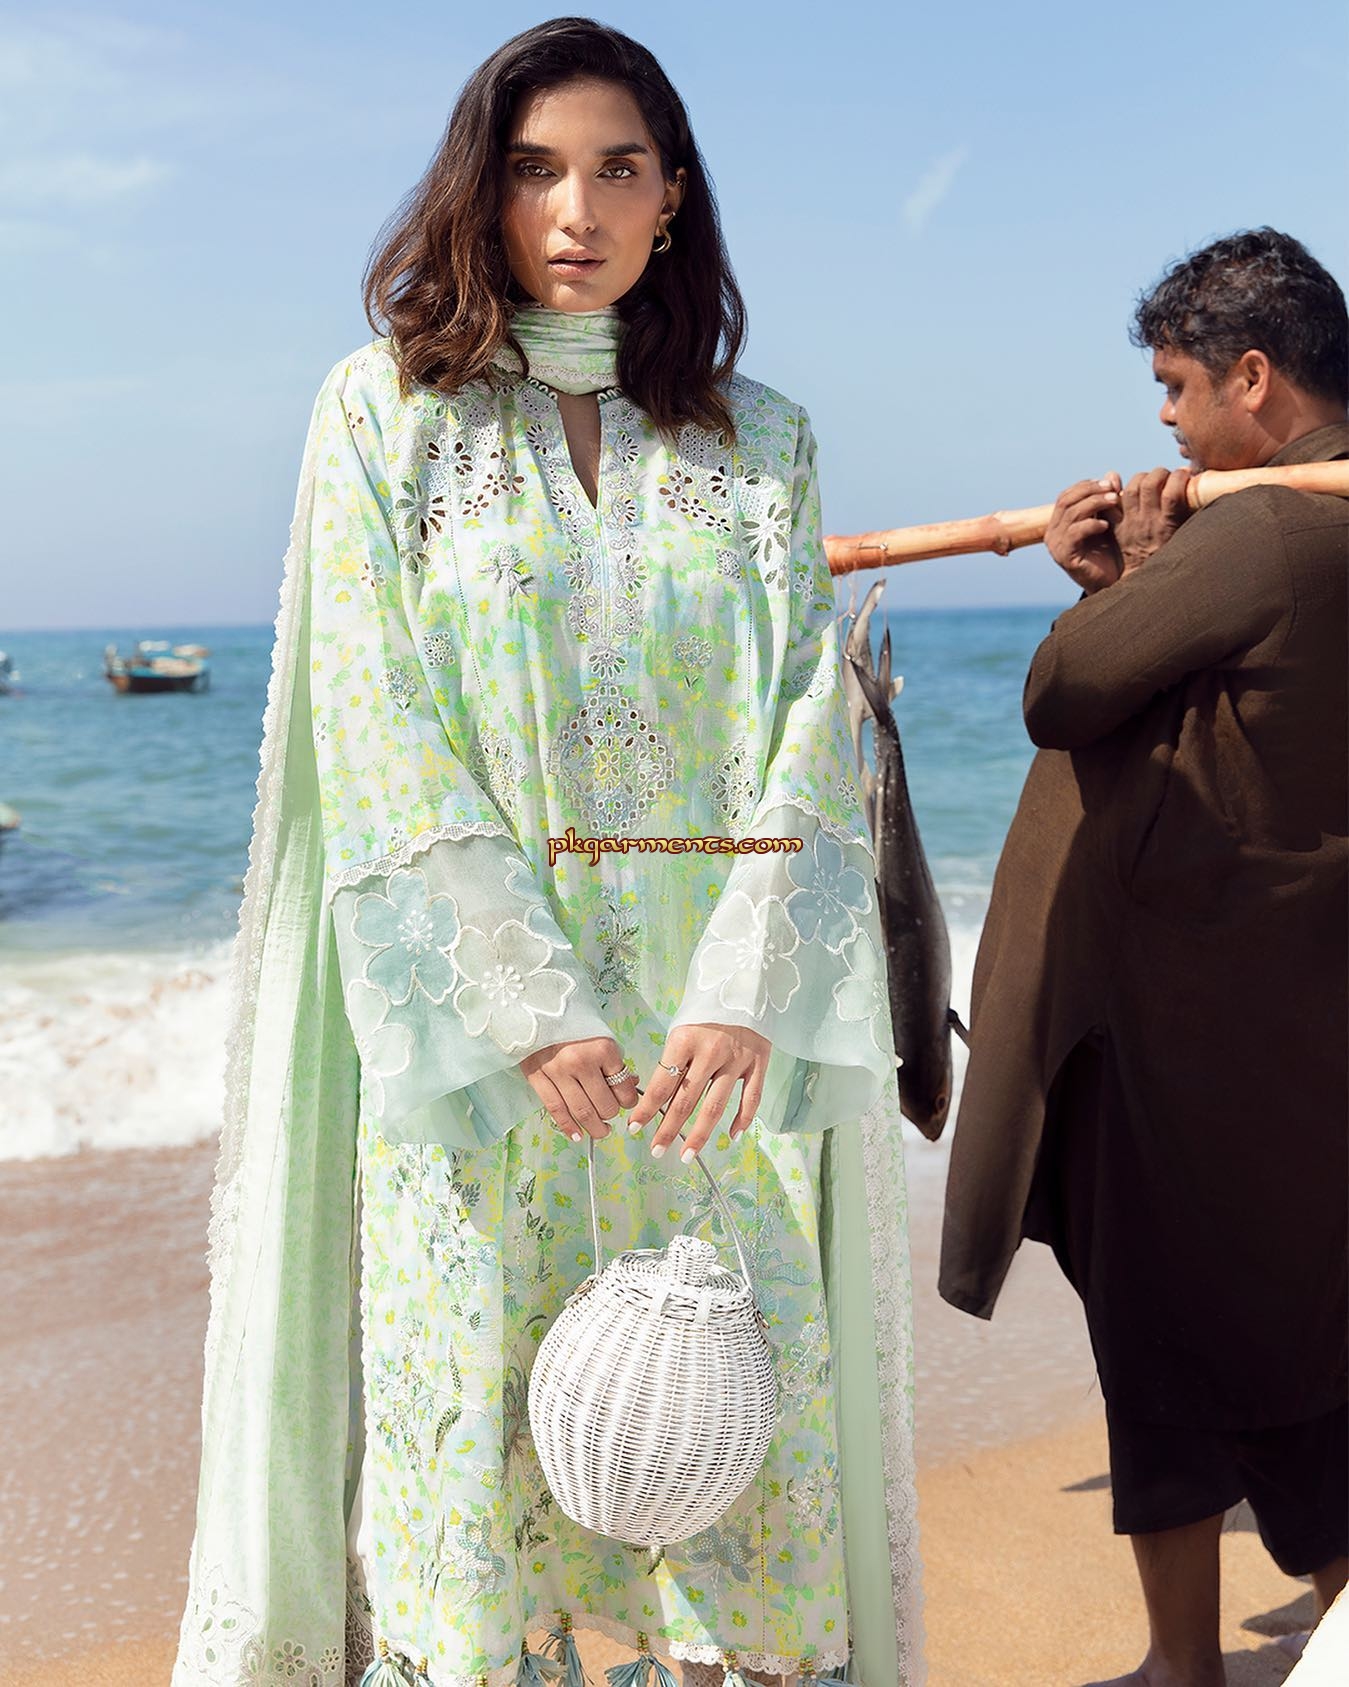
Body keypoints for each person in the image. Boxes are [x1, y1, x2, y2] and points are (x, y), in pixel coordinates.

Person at [171, 18, 922, 1687]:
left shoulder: (763, 441)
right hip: (483, 1060)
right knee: (474, 1481)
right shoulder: (384, 416)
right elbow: (374, 719)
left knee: (736, 1469)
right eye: (531, 171)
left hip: (708, 1063)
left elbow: (810, 720)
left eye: (615, 169)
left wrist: (744, 991)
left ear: (672, 196)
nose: (573, 210)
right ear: (480, 190)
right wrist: (518, 1003)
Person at [939, 226, 1349, 1687]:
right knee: (1298, 1335)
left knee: (1167, 1336)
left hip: (1185, 1029)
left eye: (1177, 386)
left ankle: (1183, 1663)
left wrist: (1112, 577)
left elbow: (1069, 690)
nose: (1164, 422)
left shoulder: (1269, 530)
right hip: (1297, 1015)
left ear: (1254, 378)